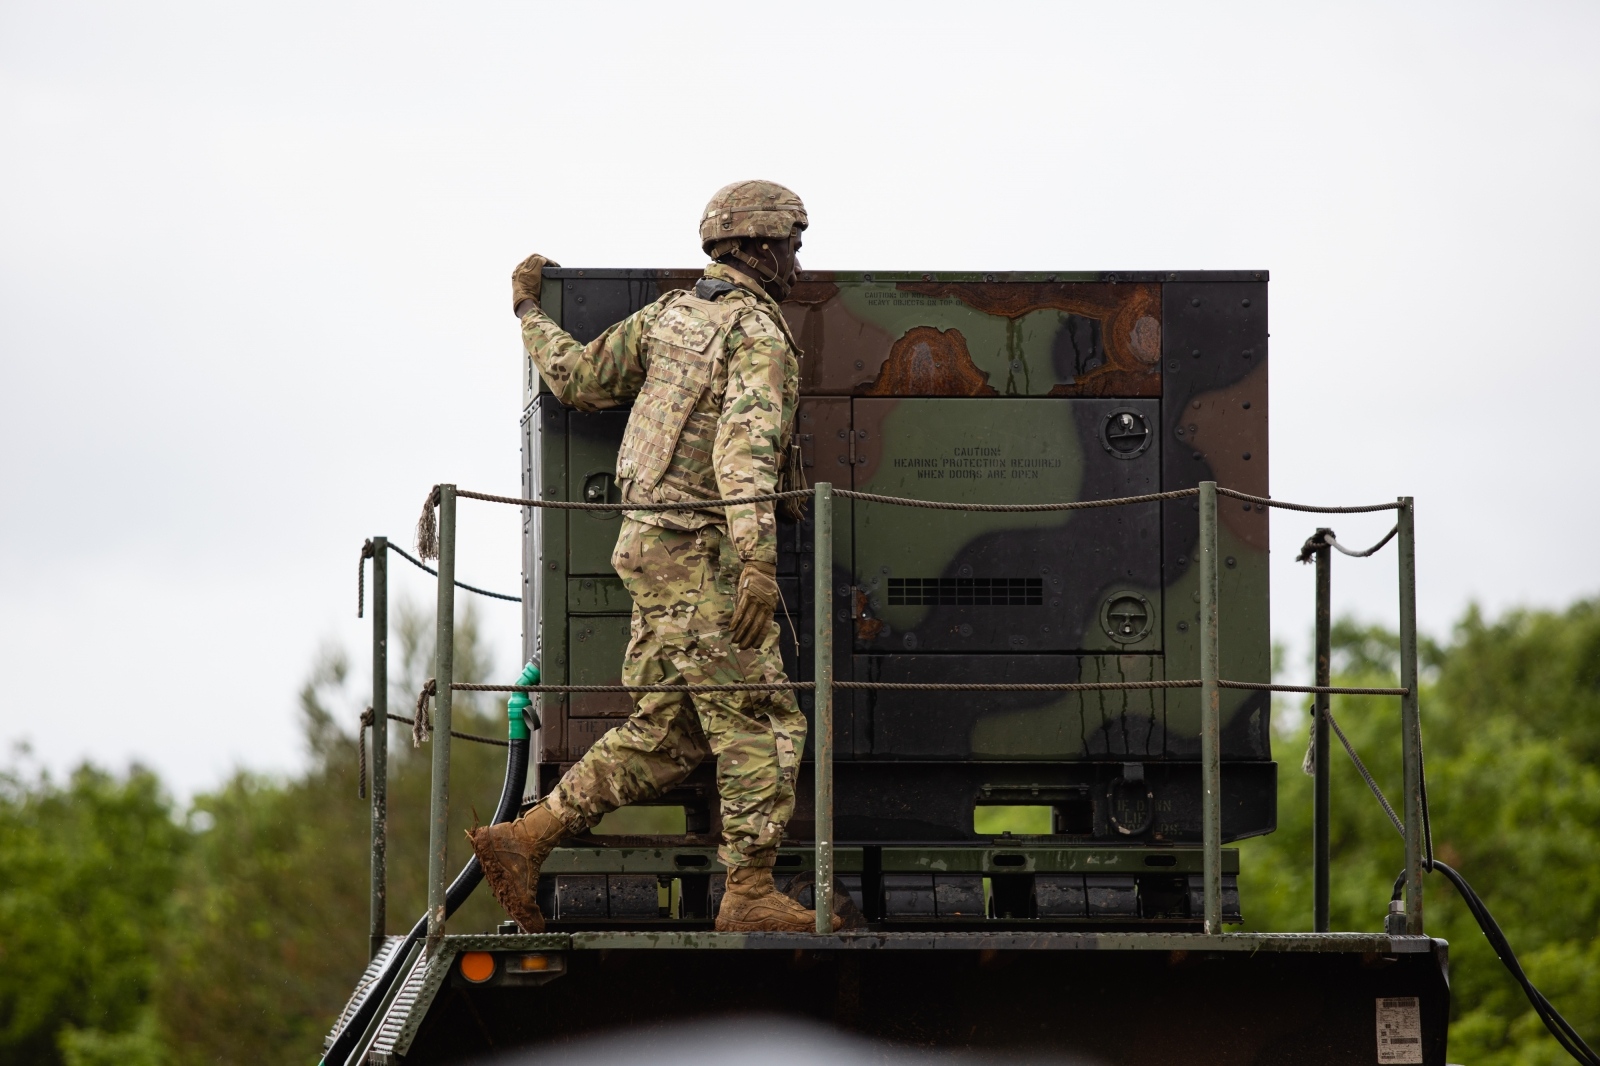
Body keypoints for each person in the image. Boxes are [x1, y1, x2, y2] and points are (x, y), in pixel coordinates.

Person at [466, 180, 838, 933]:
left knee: (675, 731)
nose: (798, 262)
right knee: (762, 719)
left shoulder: (671, 315)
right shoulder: (756, 335)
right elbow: (744, 453)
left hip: (649, 550)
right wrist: (757, 562)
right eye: (791, 245)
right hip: (701, 554)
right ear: (758, 248)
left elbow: (579, 378)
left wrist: (529, 311)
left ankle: (525, 838)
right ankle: (749, 893)